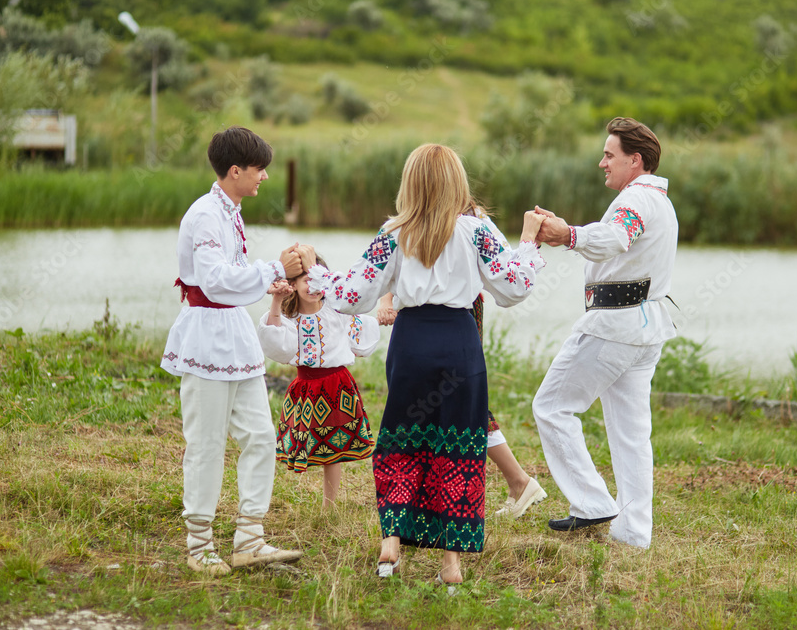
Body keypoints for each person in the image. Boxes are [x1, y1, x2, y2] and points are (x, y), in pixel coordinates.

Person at [299, 143, 547, 591]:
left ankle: (391, 541)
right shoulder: (476, 230)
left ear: (409, 183)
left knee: (403, 438)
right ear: (458, 183)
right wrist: (528, 242)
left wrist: (317, 275)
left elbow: (352, 295)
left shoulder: (393, 232)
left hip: (412, 343)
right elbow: (514, 288)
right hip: (458, 342)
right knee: (457, 447)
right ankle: (451, 564)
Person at [161, 126, 306, 575]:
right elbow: (213, 281)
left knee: (261, 437)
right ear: (235, 170)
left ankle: (249, 538)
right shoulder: (204, 214)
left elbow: (232, 280)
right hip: (206, 337)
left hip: (235, 337)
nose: (264, 177)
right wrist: (272, 268)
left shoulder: (231, 210)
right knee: (205, 444)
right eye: (259, 169)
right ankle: (199, 546)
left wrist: (270, 282)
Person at [531, 116, 678, 549]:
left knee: (552, 407)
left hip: (615, 325)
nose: (602, 163)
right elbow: (619, 245)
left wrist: (568, 234)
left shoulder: (635, 201)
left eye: (609, 155)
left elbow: (616, 237)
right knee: (632, 433)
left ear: (635, 161)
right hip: (645, 329)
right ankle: (633, 533)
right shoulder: (658, 201)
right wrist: (568, 232)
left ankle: (592, 503)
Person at [376, 201, 547, 519]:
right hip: (427, 318)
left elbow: (507, 272)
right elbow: (397, 268)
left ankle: (516, 482)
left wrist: (528, 240)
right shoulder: (411, 219)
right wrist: (387, 299)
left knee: (458, 400)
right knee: (451, 401)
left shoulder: (475, 222)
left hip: (459, 314)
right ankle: (513, 483)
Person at [257, 258, 379, 508]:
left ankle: (329, 504)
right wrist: (277, 300)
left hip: (336, 385)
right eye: (305, 281)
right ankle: (262, 497)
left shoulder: (337, 310)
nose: (313, 287)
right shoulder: (289, 317)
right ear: (292, 284)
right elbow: (276, 344)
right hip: (306, 387)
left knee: (332, 446)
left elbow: (360, 338)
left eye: (317, 280)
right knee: (308, 441)